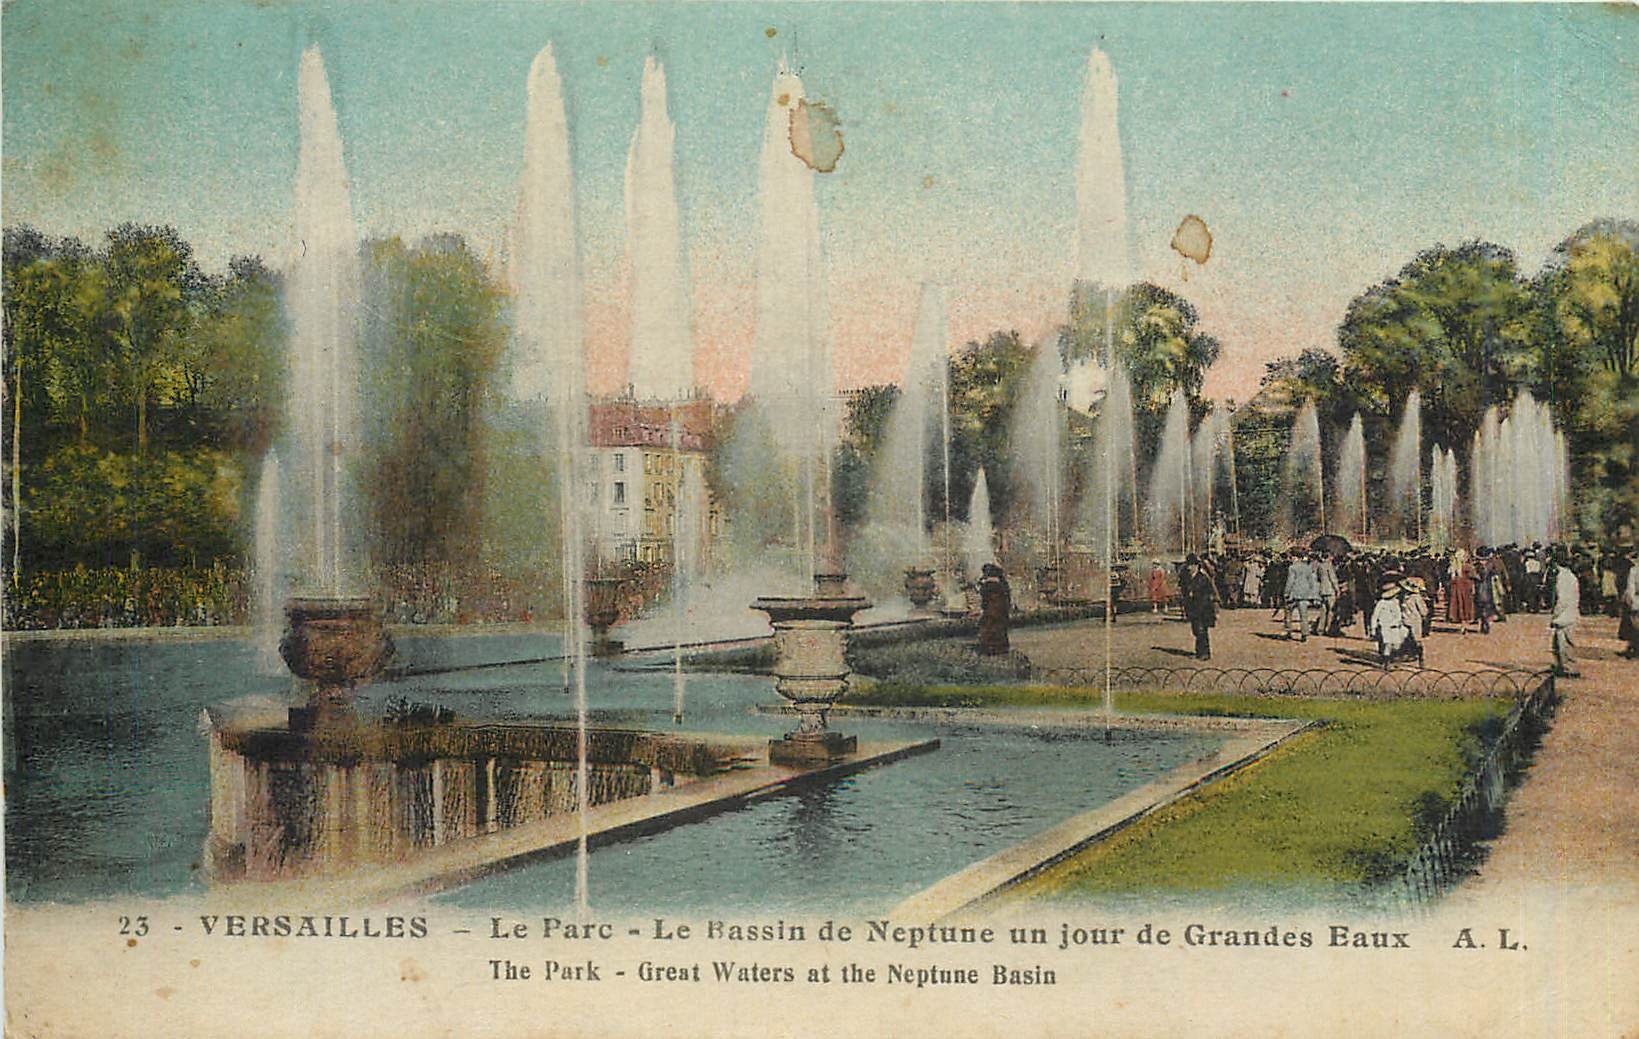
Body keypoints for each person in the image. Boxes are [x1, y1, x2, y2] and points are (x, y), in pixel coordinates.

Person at [1369, 577, 1416, 668]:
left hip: (1396, 626)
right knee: (1388, 644)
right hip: (1385, 626)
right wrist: (1373, 628)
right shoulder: (1381, 603)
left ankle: (1389, 659)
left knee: (1396, 645)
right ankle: (1387, 662)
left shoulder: (1396, 602)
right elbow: (1374, 616)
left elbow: (1399, 614)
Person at [1550, 549, 1581, 678]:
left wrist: (1555, 614)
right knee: (1559, 643)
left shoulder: (1562, 578)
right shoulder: (1571, 576)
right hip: (1571, 612)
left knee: (1564, 644)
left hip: (1564, 616)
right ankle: (1562, 666)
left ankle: (1569, 668)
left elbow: (1562, 600)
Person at [1182, 554, 1217, 660]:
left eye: (1191, 565)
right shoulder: (1188, 578)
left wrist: (1196, 596)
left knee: (1201, 630)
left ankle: (1204, 653)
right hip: (1193, 608)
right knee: (1196, 630)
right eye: (1188, 565)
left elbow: (1208, 593)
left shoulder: (1202, 578)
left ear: (1196, 566)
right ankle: (1200, 652)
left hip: (1203, 608)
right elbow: (1185, 592)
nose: (1189, 568)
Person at [1283, 550, 1319, 642]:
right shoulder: (1307, 567)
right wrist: (1309, 592)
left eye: (1292, 557)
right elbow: (1311, 581)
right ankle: (1304, 634)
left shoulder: (1292, 568)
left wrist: (1286, 592)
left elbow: (1290, 581)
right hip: (1303, 594)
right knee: (1303, 615)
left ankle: (1288, 631)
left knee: (1288, 613)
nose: (1291, 559)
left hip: (1293, 594)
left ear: (1297, 558)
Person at [1448, 548, 1476, 634]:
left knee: (1459, 606)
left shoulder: (1453, 568)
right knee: (1466, 606)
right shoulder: (1466, 567)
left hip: (1456, 590)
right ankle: (1464, 626)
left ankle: (1462, 626)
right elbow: (1473, 575)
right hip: (1466, 589)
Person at [1621, 547, 1639, 660]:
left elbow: (1631, 588)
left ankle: (1634, 649)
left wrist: (1630, 602)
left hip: (1637, 601)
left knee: (1636, 627)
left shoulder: (1634, 570)